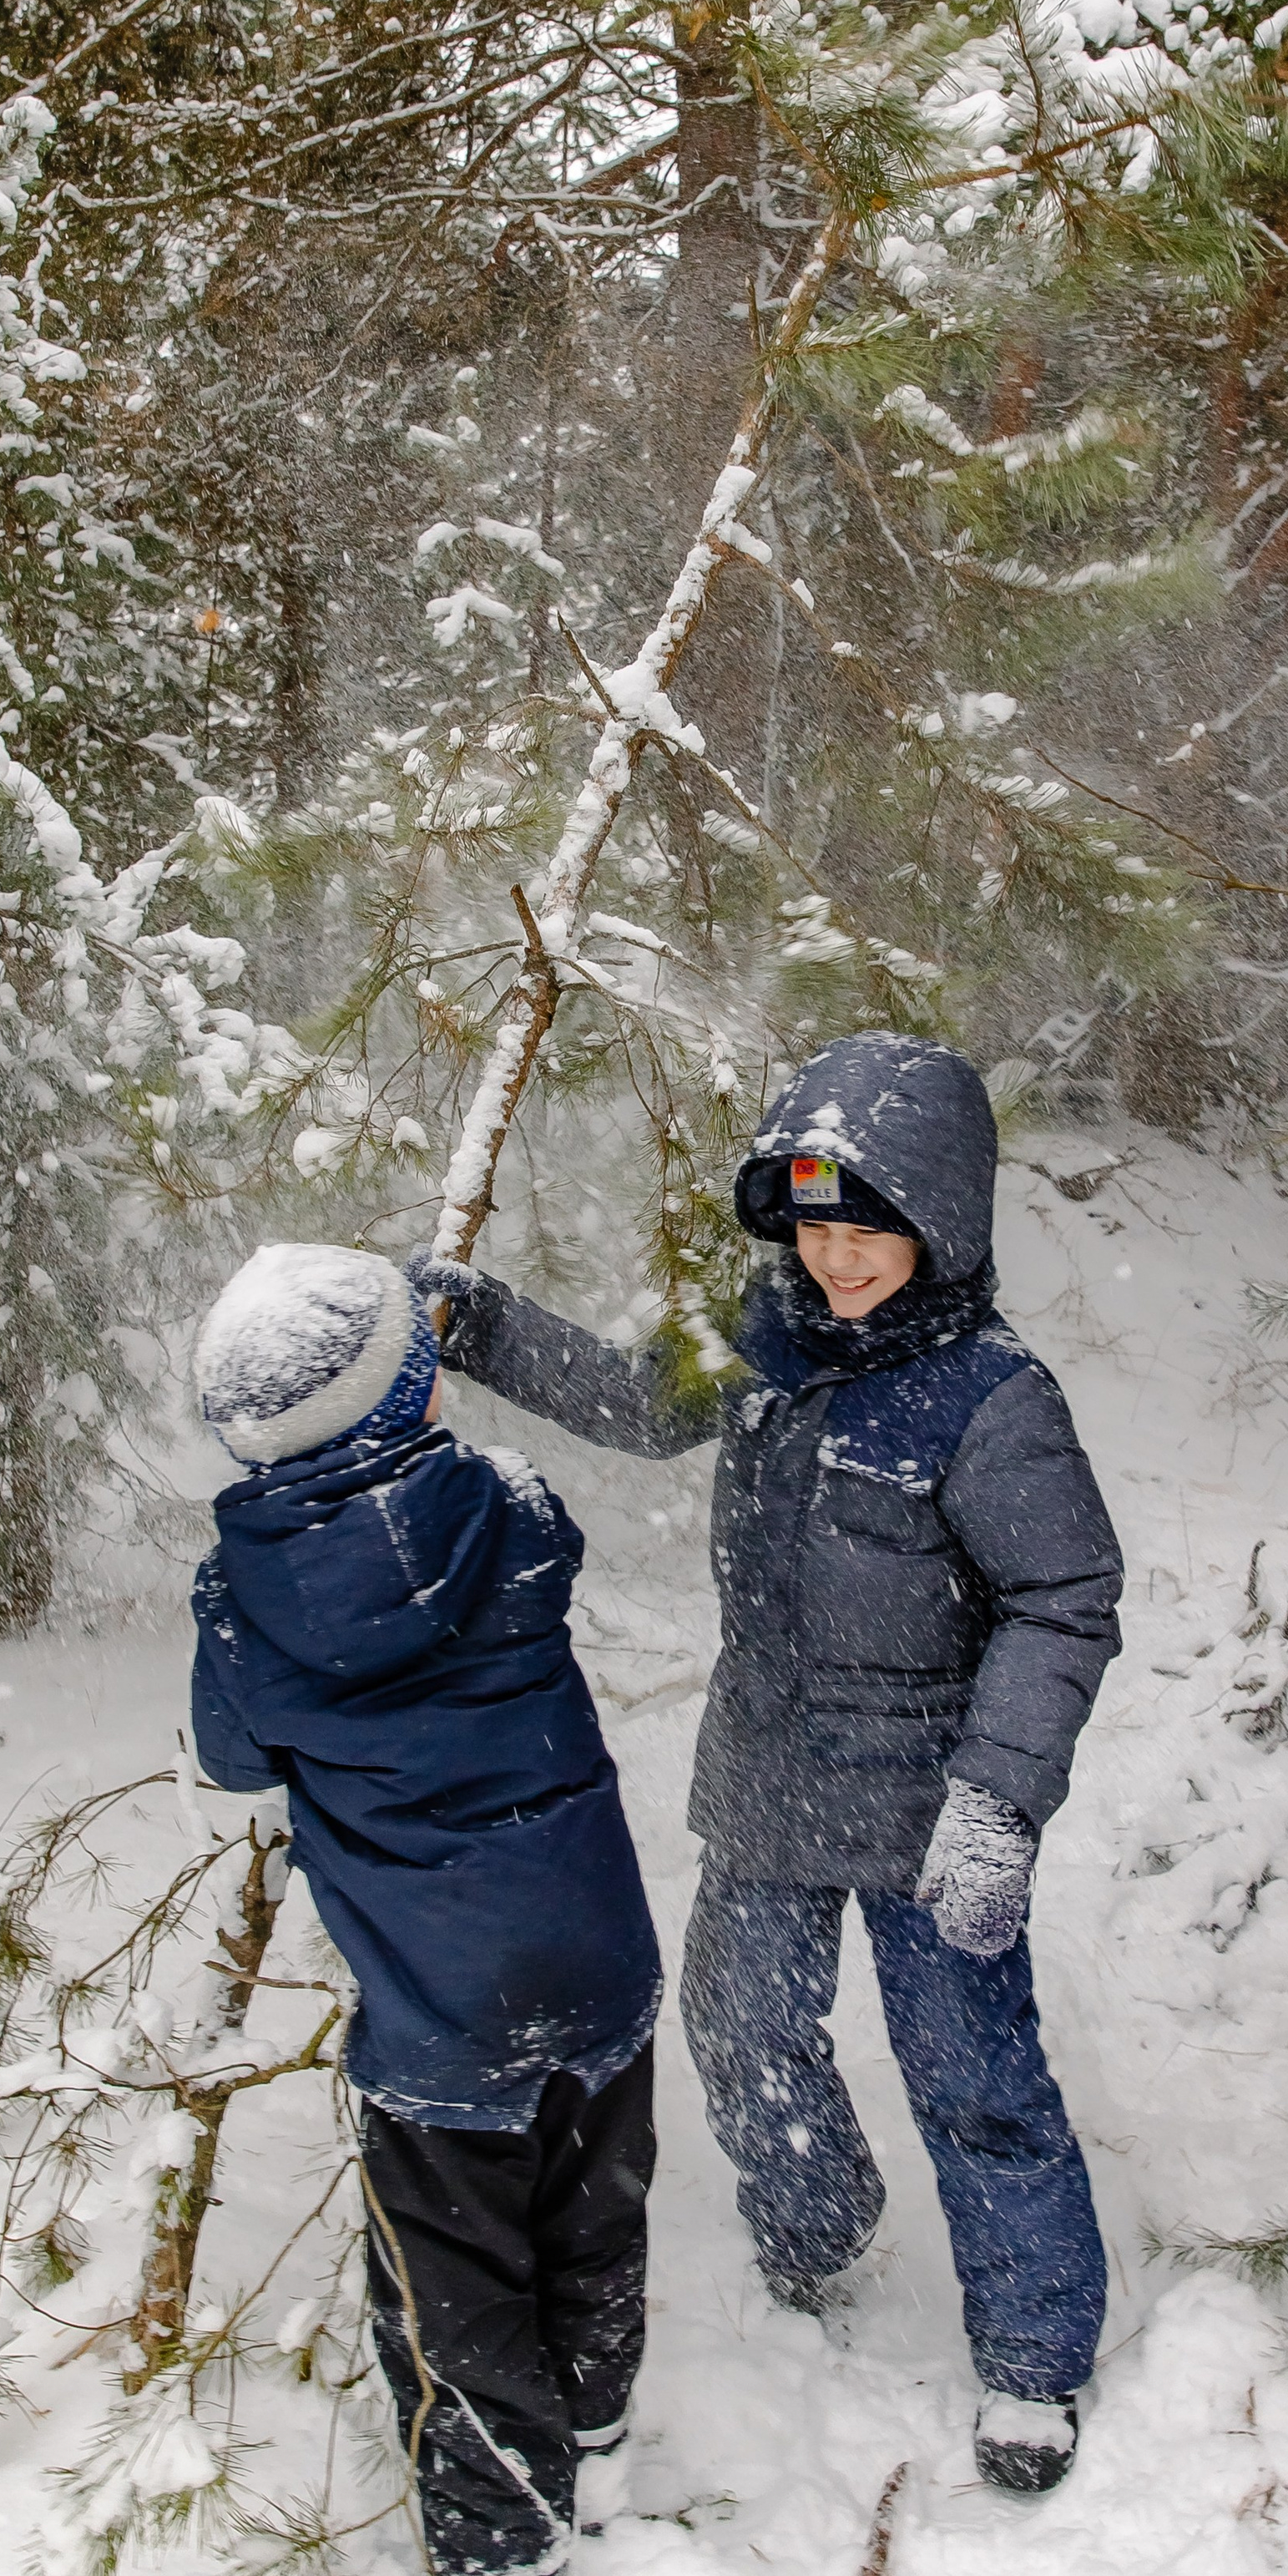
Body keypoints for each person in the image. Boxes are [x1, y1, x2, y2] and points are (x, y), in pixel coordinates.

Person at [412, 1030, 1124, 2495]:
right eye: (813, 1226)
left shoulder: (993, 1399)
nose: (836, 1257)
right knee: (738, 2026)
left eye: (870, 1229)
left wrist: (998, 1801)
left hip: (932, 1807)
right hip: (770, 1775)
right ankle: (814, 2217)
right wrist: (476, 1325)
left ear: (943, 1224)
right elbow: (634, 1397)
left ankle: (1035, 2352)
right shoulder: (762, 1336)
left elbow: (1063, 1601)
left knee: (974, 2077)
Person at [188, 1243, 662, 2576]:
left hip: (437, 2013)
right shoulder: (510, 1513)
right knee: (593, 2207)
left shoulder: (241, 1606)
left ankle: (506, 2541)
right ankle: (597, 2417)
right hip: (594, 1957)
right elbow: (534, 1543)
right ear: (420, 1394)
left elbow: (233, 1755)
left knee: (454, 2280)